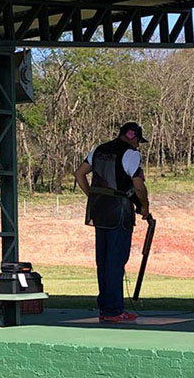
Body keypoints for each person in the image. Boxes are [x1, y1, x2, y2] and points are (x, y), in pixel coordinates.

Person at [74, 122, 151, 323]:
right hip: (120, 213)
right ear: (133, 137)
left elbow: (79, 174)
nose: (138, 146)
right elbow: (138, 185)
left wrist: (92, 195)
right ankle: (114, 310)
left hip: (99, 212)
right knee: (116, 262)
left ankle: (106, 308)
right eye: (138, 142)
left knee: (103, 262)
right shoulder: (131, 154)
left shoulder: (98, 150)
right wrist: (145, 206)